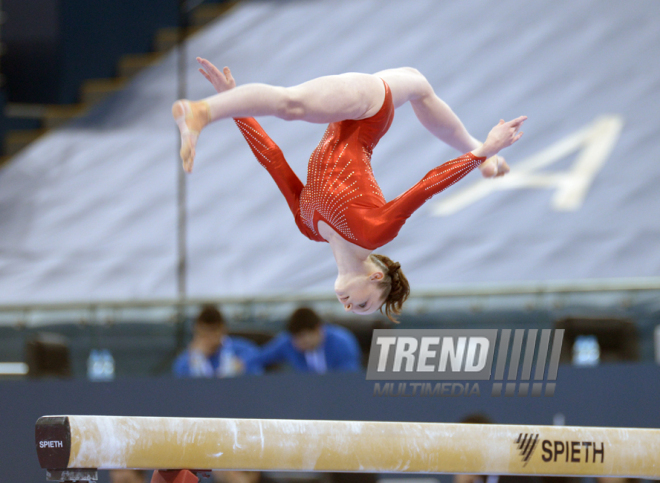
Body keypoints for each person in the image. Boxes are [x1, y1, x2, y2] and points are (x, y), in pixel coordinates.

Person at [173, 59, 526, 321]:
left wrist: (238, 106)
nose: (347, 304)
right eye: (362, 304)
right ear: (376, 277)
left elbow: (273, 160)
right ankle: (200, 113)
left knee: (418, 84)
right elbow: (425, 187)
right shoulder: (375, 232)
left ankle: (483, 159)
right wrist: (485, 149)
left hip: (341, 112)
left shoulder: (309, 228)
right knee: (291, 106)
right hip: (369, 111)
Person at [247, 307, 361, 373]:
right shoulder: (288, 342)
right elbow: (260, 357)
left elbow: (348, 378)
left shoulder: (342, 342)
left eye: (303, 338)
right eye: (295, 339)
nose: (299, 343)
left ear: (317, 329)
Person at [173, 305, 262, 377]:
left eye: (213, 332)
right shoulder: (186, 359)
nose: (210, 338)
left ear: (223, 330)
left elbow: (257, 374)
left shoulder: (245, 350)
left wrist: (240, 367)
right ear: (196, 332)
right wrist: (196, 358)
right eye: (204, 334)